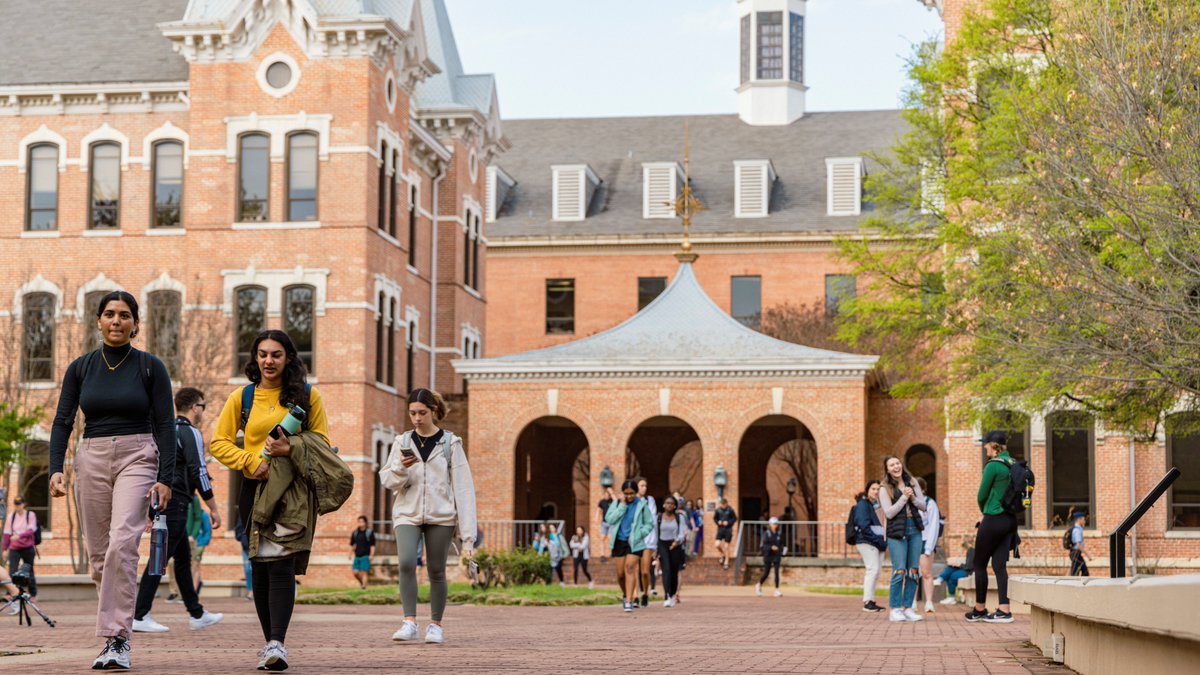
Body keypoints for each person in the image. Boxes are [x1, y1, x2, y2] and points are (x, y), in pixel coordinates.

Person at [48, 290, 175, 670]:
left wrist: (166, 478)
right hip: (92, 456)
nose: (116, 321)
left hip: (138, 455)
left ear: (135, 323)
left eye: (124, 315)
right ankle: (114, 633)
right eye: (109, 314)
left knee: (123, 541)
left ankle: (117, 638)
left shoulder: (150, 367)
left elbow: (166, 425)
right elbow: (63, 420)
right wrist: (56, 467)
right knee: (100, 556)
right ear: (99, 321)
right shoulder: (81, 368)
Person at [210, 329, 331, 670]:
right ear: (255, 358)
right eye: (262, 354)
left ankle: (278, 641)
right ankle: (270, 645)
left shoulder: (308, 396)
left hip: (292, 493)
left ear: (288, 358)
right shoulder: (243, 397)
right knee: (260, 567)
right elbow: (218, 443)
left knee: (281, 565)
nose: (268, 361)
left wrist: (289, 448)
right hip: (254, 490)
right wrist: (250, 461)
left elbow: (322, 443)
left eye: (276, 354)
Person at [379, 388, 477, 646]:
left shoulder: (450, 444)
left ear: (433, 411)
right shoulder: (402, 442)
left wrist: (468, 538)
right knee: (406, 563)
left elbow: (464, 489)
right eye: (412, 413)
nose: (417, 418)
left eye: (422, 413)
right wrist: (401, 468)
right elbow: (387, 479)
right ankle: (409, 622)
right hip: (407, 513)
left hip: (441, 516)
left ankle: (435, 625)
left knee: (436, 570)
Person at [132, 386, 224, 634]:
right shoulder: (190, 432)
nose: (203, 411)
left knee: (182, 559)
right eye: (202, 406)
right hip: (177, 502)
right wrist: (213, 508)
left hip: (164, 502)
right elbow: (198, 471)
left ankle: (197, 614)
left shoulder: (164, 431)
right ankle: (139, 614)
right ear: (195, 407)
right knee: (159, 558)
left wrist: (151, 511)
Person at [966, 431, 1018, 624]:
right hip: (1010, 520)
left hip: (993, 518)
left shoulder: (993, 465)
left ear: (994, 446)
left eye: (986, 444)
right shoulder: (1013, 464)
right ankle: (1004, 610)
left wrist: (984, 511)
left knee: (979, 564)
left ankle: (979, 609)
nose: (984, 447)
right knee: (999, 565)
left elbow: (982, 495)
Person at [879, 455, 927, 623]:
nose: (896, 467)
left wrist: (912, 497)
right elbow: (889, 513)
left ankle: (908, 608)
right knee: (899, 570)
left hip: (914, 528)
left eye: (897, 463)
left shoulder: (912, 482)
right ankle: (895, 609)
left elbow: (923, 506)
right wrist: (904, 498)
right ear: (887, 470)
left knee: (913, 570)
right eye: (891, 465)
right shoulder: (884, 488)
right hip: (896, 532)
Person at [604, 479, 653, 613]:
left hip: (635, 542)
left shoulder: (642, 505)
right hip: (619, 541)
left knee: (630, 568)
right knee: (620, 575)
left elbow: (649, 524)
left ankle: (629, 601)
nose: (629, 496)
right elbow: (609, 519)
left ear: (636, 493)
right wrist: (622, 506)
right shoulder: (617, 503)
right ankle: (626, 594)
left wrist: (640, 534)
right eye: (626, 493)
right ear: (623, 493)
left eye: (632, 493)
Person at [851, 481, 887, 613]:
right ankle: (867, 602)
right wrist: (878, 540)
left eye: (878, 489)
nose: (876, 492)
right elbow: (863, 526)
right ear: (867, 490)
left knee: (876, 572)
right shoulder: (863, 505)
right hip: (866, 541)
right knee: (872, 570)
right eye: (873, 489)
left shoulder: (872, 505)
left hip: (875, 542)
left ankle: (871, 601)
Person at [2, 497, 38, 606]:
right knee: (12, 570)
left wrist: (19, 536)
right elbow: (7, 534)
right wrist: (5, 549)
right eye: (16, 504)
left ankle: (33, 594)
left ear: (24, 504)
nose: (18, 506)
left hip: (28, 547)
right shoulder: (11, 517)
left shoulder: (30, 515)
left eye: (19, 504)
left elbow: (31, 530)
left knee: (29, 570)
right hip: (14, 548)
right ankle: (11, 593)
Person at [656, 496, 687, 607]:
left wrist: (676, 542)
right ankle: (666, 595)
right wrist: (655, 549)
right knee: (666, 569)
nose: (669, 505)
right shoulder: (658, 518)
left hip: (675, 544)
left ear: (675, 506)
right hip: (663, 544)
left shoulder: (679, 517)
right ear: (664, 505)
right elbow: (655, 533)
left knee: (674, 572)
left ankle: (673, 593)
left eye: (671, 503)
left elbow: (682, 533)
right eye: (667, 503)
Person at [916, 477, 941, 613]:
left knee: (926, 573)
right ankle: (911, 602)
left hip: (926, 540)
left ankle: (929, 602)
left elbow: (934, 526)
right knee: (912, 573)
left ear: (923, 489)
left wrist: (929, 547)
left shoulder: (930, 503)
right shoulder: (908, 503)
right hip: (913, 540)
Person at [635, 478, 658, 606]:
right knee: (634, 569)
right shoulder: (631, 501)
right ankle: (634, 596)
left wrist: (655, 544)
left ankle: (645, 593)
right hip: (634, 539)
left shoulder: (650, 500)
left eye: (645, 485)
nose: (644, 488)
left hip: (647, 540)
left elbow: (652, 520)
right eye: (641, 485)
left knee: (644, 571)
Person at [938, 533, 976, 605]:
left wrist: (959, 565)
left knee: (953, 576)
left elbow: (969, 566)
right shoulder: (971, 550)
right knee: (951, 568)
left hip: (969, 572)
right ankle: (941, 579)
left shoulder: (971, 550)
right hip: (967, 570)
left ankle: (951, 596)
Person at [755, 517, 784, 598]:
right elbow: (763, 545)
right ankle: (759, 584)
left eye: (776, 524)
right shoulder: (766, 534)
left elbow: (781, 544)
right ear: (770, 525)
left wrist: (781, 550)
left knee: (776, 572)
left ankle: (777, 590)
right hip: (768, 555)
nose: (775, 525)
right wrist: (771, 547)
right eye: (773, 524)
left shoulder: (779, 534)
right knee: (766, 572)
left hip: (776, 555)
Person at [191, 497, 212, 595]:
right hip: (189, 544)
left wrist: (201, 544)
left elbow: (208, 531)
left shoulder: (203, 515)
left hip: (198, 545)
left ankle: (194, 592)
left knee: (195, 566)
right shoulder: (189, 515)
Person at [350, 516, 376, 590]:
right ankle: (362, 583)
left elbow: (372, 545)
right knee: (355, 573)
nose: (360, 523)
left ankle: (364, 587)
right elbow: (353, 544)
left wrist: (371, 555)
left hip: (365, 556)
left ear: (365, 523)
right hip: (357, 556)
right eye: (359, 522)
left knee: (364, 572)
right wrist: (350, 554)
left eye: (362, 521)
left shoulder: (369, 532)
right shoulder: (355, 533)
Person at [713, 498, 738, 569]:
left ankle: (726, 561)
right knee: (717, 544)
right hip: (720, 529)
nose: (723, 506)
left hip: (728, 530)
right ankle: (722, 553)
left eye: (724, 504)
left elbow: (735, 518)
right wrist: (718, 522)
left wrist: (728, 522)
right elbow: (715, 519)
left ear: (727, 504)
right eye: (722, 504)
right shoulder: (718, 510)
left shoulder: (730, 510)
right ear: (720, 504)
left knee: (726, 546)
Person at [1068, 511, 1090, 577]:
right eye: (1083, 519)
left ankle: (1076, 582)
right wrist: (1088, 555)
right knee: (1081, 572)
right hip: (1076, 553)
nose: (1084, 521)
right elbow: (1078, 544)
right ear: (1079, 519)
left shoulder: (1078, 529)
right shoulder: (1077, 530)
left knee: (1077, 573)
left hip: (1076, 553)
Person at [597, 488, 615, 560]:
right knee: (602, 538)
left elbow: (616, 501)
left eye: (608, 495)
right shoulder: (602, 502)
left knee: (610, 538)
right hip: (604, 523)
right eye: (605, 495)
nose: (606, 496)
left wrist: (612, 493)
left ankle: (612, 552)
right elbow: (598, 510)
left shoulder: (612, 501)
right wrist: (596, 518)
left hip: (611, 523)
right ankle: (602, 554)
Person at [548, 523, 567, 588]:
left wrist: (565, 554)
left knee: (558, 568)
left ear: (555, 528)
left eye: (552, 528)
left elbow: (564, 545)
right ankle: (549, 583)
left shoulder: (559, 536)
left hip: (559, 555)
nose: (551, 529)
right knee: (550, 569)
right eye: (550, 528)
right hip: (551, 555)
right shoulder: (549, 536)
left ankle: (562, 581)